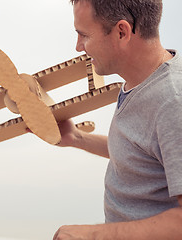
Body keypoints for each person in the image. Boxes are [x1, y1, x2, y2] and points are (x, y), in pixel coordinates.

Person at [52, 0, 182, 239]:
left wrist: (91, 235)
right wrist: (77, 138)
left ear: (122, 32)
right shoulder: (140, 82)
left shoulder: (173, 101)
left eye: (84, 35)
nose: (79, 47)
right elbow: (144, 155)